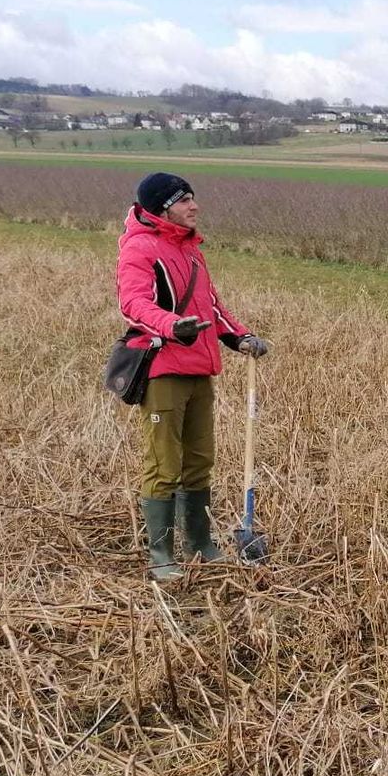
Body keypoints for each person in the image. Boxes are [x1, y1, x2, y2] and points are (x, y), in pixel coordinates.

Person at [117, 172, 268, 582]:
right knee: (164, 464)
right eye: (185, 200)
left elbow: (212, 307)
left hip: (200, 368)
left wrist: (240, 337)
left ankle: (199, 542)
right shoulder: (140, 248)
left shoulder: (191, 249)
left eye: (193, 199)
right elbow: (132, 303)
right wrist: (171, 326)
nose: (194, 206)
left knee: (200, 461)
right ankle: (161, 553)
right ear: (163, 207)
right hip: (164, 369)